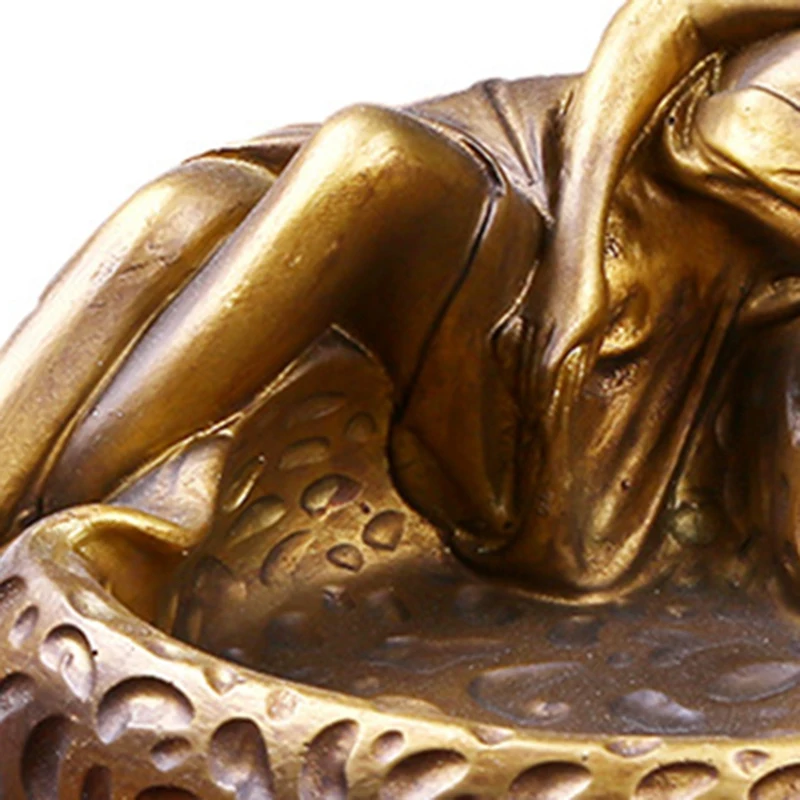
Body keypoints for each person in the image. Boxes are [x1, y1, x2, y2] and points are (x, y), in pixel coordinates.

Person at [0, 0, 798, 600]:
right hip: (549, 175)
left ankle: (64, 536)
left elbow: (724, 161)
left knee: (371, 159)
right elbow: (664, 19)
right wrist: (575, 257)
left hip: (633, 318)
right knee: (184, 209)